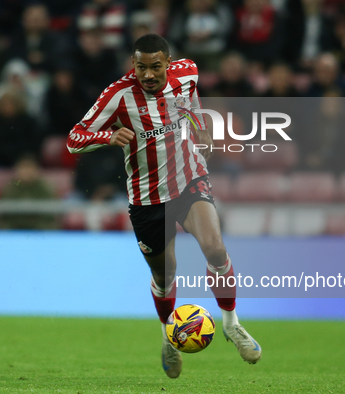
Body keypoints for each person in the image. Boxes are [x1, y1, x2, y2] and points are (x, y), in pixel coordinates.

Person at [67, 34, 261, 379]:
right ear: (133, 65)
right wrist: (107, 137)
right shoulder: (117, 95)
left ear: (168, 64)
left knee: (215, 249)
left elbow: (192, 101)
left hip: (189, 181)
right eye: (141, 67)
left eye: (155, 66)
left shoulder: (187, 73)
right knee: (164, 273)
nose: (148, 74)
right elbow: (74, 138)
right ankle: (168, 338)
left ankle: (231, 324)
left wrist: (199, 126)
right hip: (146, 198)